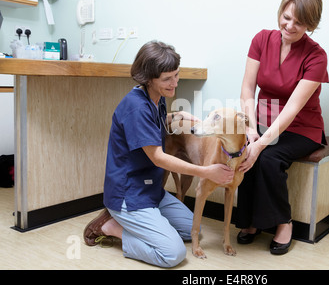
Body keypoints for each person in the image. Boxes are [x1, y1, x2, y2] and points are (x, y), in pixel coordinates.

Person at [83, 41, 235, 268]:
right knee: (172, 254)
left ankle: (145, 223)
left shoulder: (156, 98)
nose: (174, 83)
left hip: (150, 188)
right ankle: (111, 227)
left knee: (191, 229)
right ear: (148, 79)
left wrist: (176, 116)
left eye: (176, 75)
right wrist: (206, 171)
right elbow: (158, 158)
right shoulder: (136, 107)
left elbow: (152, 126)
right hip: (129, 194)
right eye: (167, 79)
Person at [236, 0, 329, 255]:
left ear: (311, 24)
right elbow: (247, 88)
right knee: (244, 148)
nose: (289, 26)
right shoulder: (261, 40)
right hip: (263, 121)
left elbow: (293, 108)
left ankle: (283, 222)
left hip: (301, 128)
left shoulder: (316, 56)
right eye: (286, 17)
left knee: (268, 157)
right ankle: (250, 222)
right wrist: (251, 129)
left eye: (299, 22)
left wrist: (262, 143)